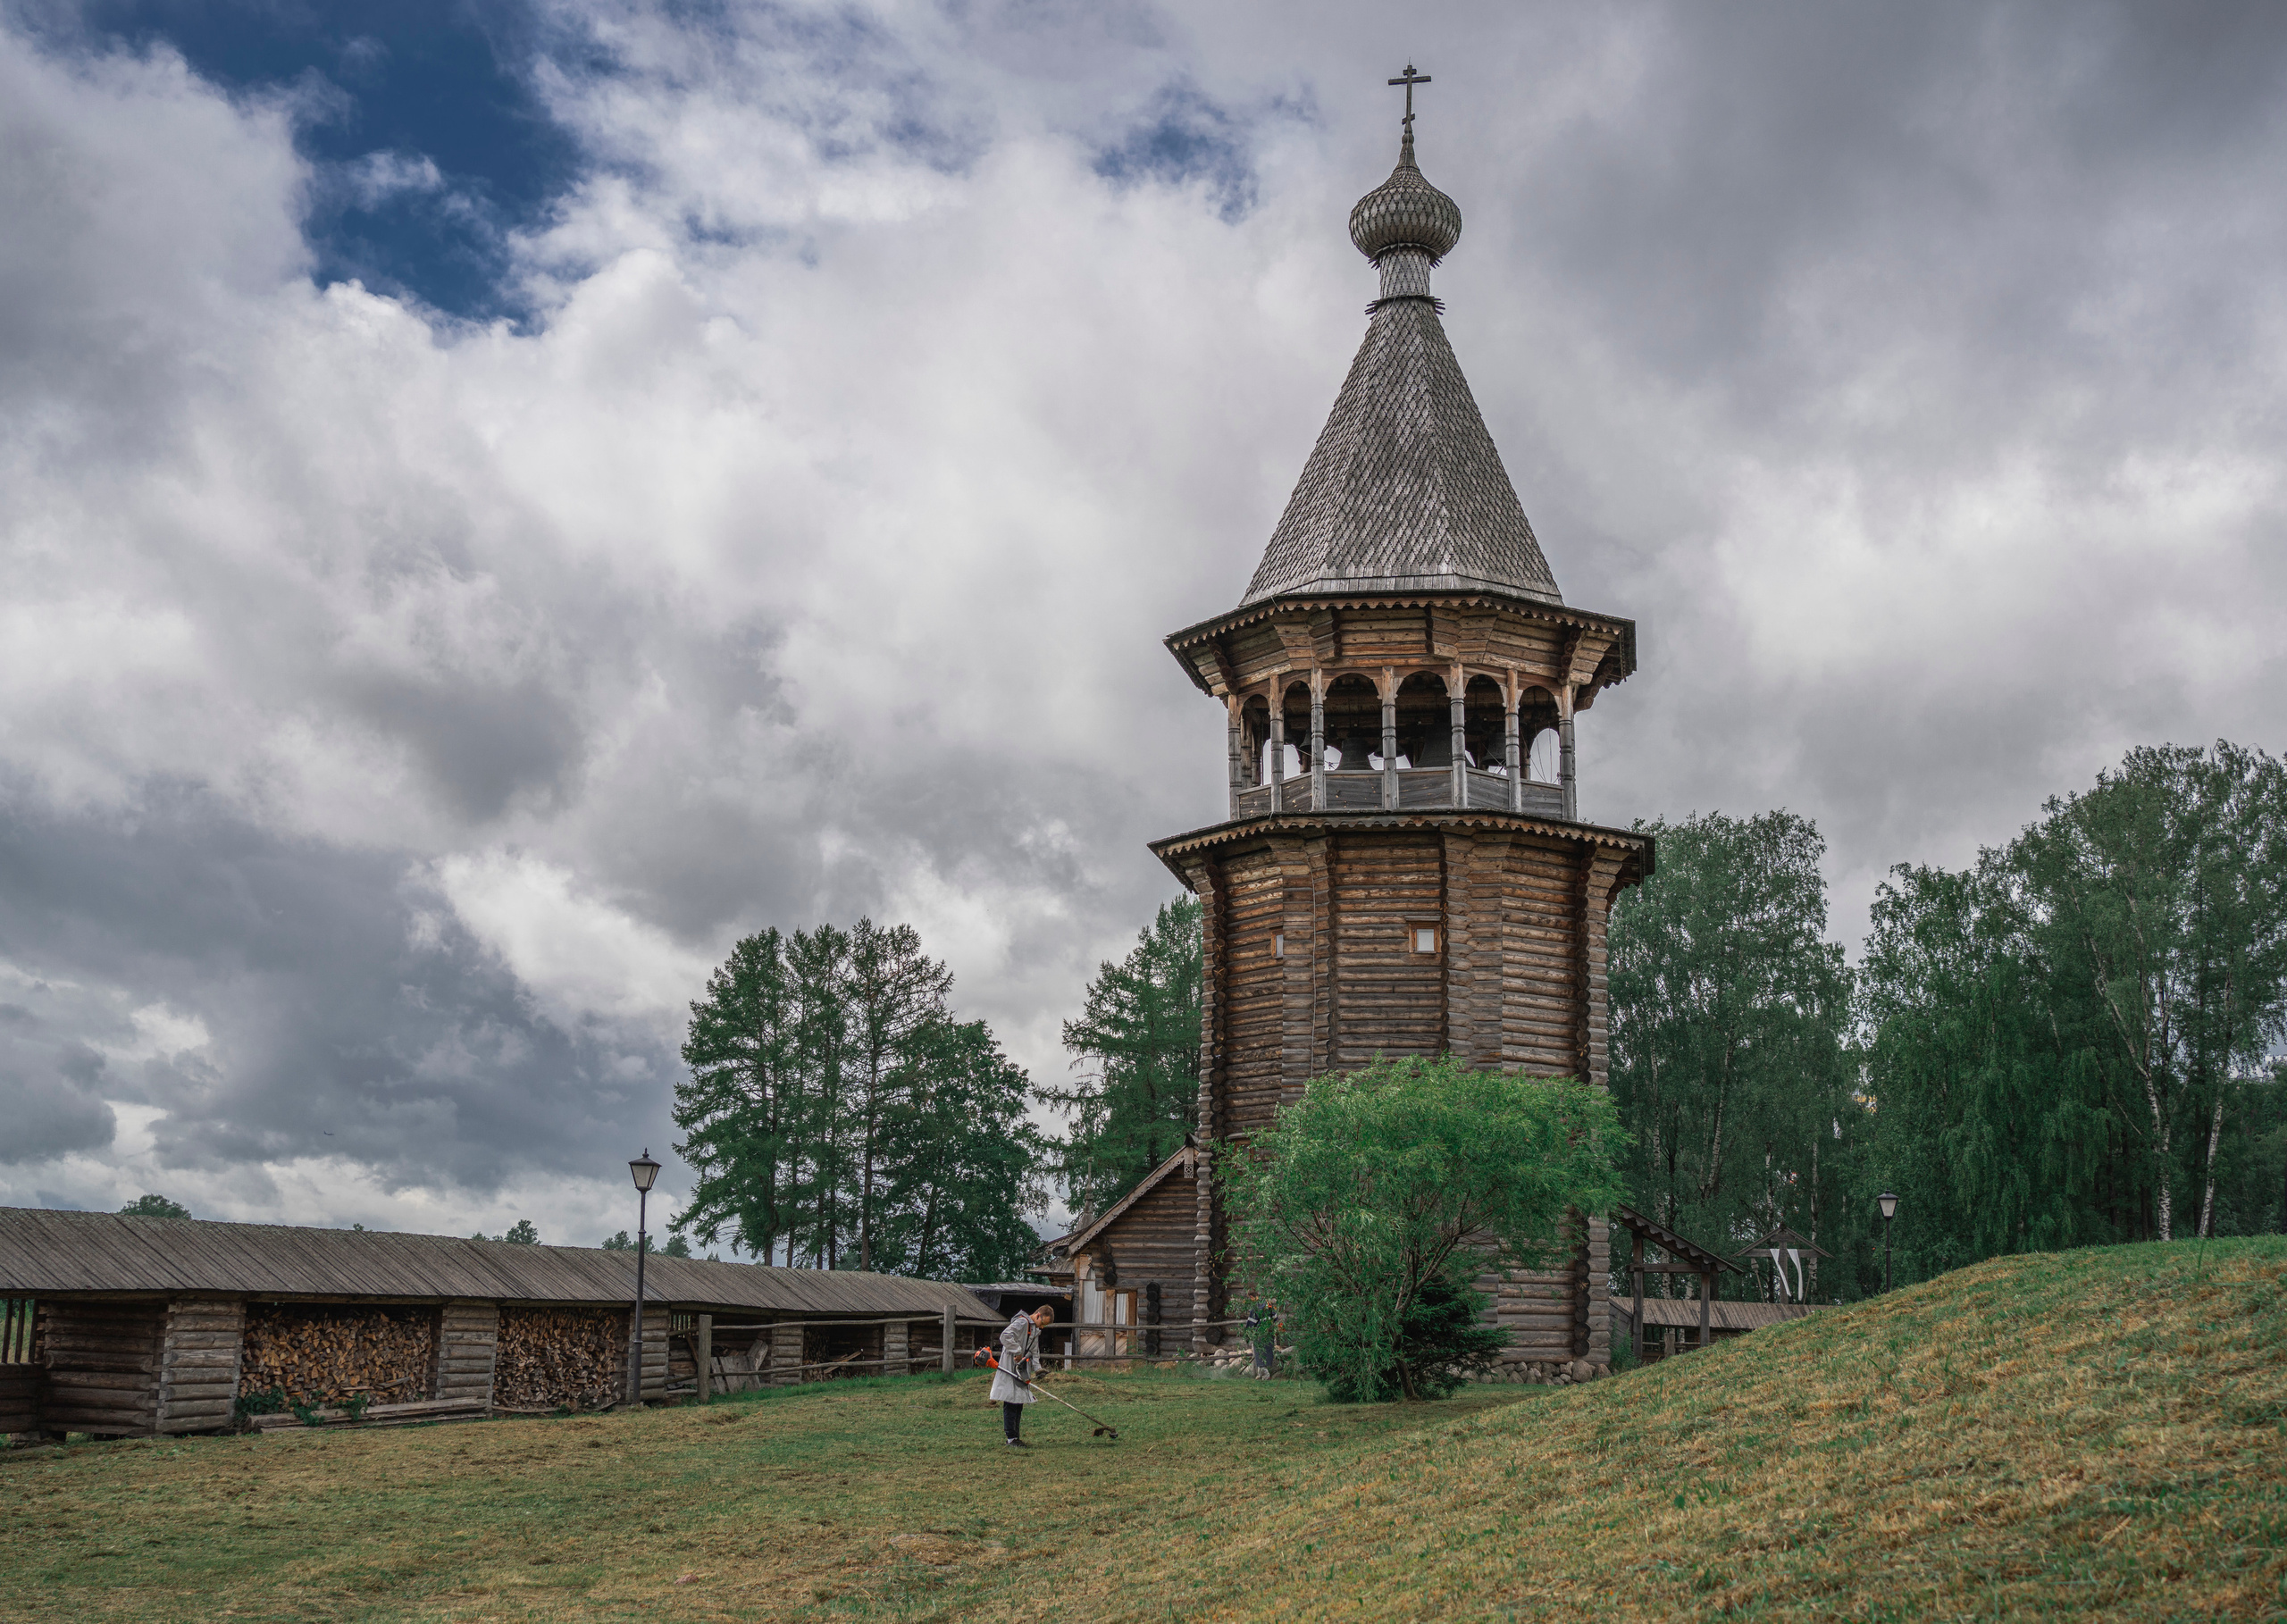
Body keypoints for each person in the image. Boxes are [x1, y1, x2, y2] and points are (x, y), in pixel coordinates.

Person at [991, 1304, 1055, 1447]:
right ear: (1038, 1315)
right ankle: (1011, 1438)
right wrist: (1017, 1351)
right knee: (1010, 1401)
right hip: (1009, 1365)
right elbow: (1005, 1336)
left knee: (1018, 1402)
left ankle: (1016, 1437)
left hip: (1021, 1368)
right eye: (1043, 1323)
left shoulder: (1034, 1329)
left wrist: (1038, 1368)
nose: (1043, 1327)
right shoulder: (1022, 1322)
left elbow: (1034, 1350)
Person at [1246, 1298, 1278, 1380]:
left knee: (1259, 1352)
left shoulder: (1255, 1308)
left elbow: (1251, 1323)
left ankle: (1265, 1375)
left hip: (1259, 1333)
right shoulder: (1269, 1306)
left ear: (1252, 1297)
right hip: (1269, 1332)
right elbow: (1275, 1318)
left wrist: (1248, 1333)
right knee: (1267, 1351)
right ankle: (1261, 1374)